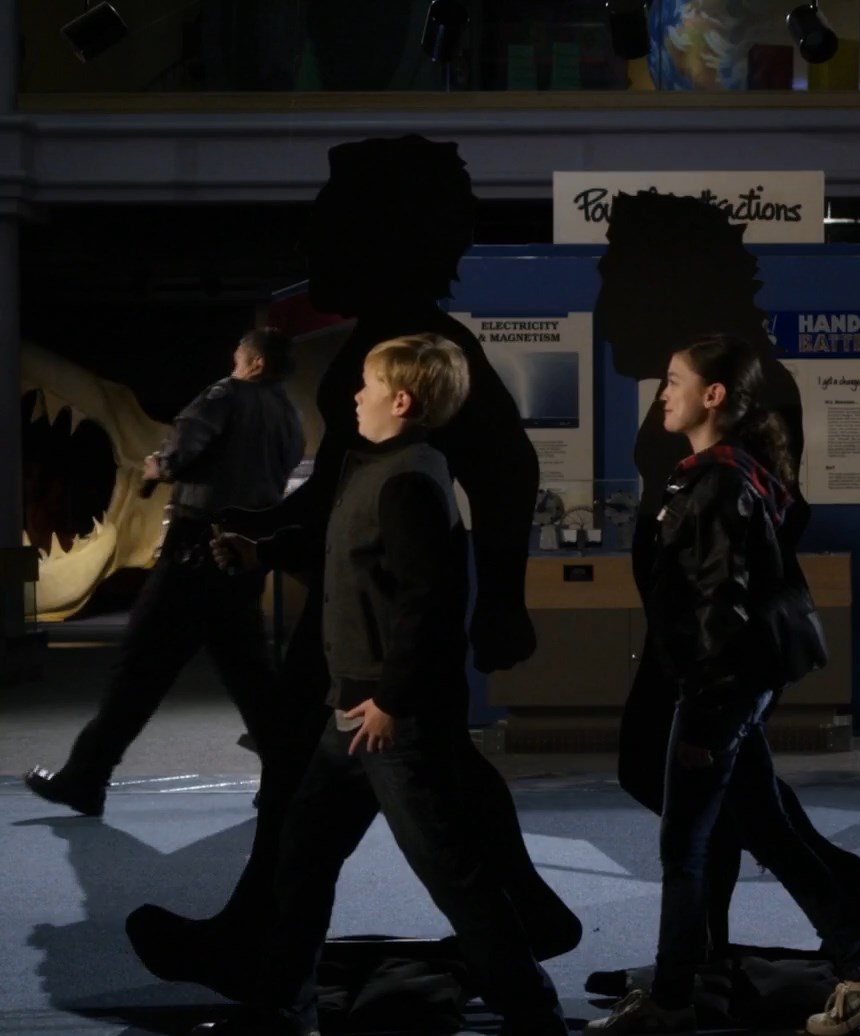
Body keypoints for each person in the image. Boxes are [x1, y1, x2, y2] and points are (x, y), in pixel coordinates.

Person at [124, 135, 578, 999]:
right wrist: (265, 533)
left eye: (330, 224)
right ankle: (274, 943)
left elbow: (507, 469)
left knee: (385, 789)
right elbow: (340, 488)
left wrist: (502, 604)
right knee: (358, 782)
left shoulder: (422, 351)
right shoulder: (384, 348)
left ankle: (272, 948)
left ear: (384, 235)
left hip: (380, 629)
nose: (312, 243)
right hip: (353, 617)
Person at [196, 334, 568, 1036]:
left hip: (391, 721)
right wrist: (262, 552)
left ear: (401, 400)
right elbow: (342, 551)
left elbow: (430, 606)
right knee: (302, 859)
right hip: (353, 714)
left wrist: (394, 701)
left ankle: (533, 1014)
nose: (355, 395)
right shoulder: (378, 469)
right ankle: (281, 1006)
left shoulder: (409, 481)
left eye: (366, 384)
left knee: (452, 874)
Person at [588, 334, 860, 1036]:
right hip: (731, 690)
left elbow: (719, 612)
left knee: (684, 850)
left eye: (674, 380)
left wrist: (703, 720)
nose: (662, 393)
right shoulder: (725, 474)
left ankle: (672, 1001)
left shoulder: (720, 484)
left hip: (716, 693)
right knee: (772, 833)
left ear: (713, 396)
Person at [24, 327, 304, 817]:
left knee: (141, 668)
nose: (233, 363)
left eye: (238, 356)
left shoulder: (225, 395)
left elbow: (182, 451)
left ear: (256, 363)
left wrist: (158, 468)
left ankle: (85, 778)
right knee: (250, 676)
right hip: (240, 554)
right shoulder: (288, 414)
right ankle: (289, 782)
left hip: (193, 554)